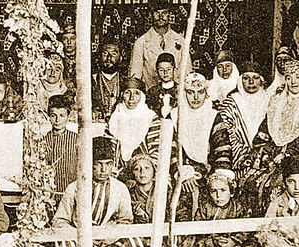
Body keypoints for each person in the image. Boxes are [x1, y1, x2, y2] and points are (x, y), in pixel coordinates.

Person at [48, 132, 145, 247]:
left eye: (108, 164)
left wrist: (107, 238)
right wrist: (83, 237)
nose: (104, 170)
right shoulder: (74, 187)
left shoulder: (120, 188)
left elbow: (126, 221)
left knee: (134, 241)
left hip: (109, 242)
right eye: (98, 164)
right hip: (80, 241)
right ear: (89, 163)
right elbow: (60, 221)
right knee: (64, 243)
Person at [243, 59, 299, 212]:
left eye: (298, 76)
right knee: (248, 181)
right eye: (289, 77)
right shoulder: (277, 100)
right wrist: (261, 154)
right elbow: (264, 131)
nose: (293, 82)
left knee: (278, 185)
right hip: (272, 155)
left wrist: (298, 160)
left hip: (298, 157)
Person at [209, 57, 271, 181]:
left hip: (263, 159)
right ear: (240, 80)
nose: (251, 82)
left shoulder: (271, 101)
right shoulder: (230, 103)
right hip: (235, 160)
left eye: (255, 78)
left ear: (261, 81)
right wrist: (243, 155)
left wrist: (258, 154)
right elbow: (225, 133)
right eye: (246, 78)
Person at [177, 169, 250, 247]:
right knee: (203, 245)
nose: (218, 195)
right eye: (213, 191)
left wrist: (233, 241)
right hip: (211, 242)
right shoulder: (205, 207)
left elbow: (244, 229)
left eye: (223, 190)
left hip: (230, 243)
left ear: (231, 191)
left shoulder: (238, 208)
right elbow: (198, 224)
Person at [171, 71, 215, 218]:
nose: (196, 97)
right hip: (183, 172)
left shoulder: (213, 115)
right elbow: (172, 151)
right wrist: (184, 174)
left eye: (200, 92)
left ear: (206, 94)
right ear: (184, 94)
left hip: (210, 170)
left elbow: (222, 149)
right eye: (190, 92)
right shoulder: (175, 115)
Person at [129, 0, 191, 90]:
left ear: (170, 14)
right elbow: (135, 75)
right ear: (151, 15)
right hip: (151, 94)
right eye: (156, 13)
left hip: (176, 94)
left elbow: (187, 72)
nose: (160, 16)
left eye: (164, 13)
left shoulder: (180, 41)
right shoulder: (141, 42)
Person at [108, 76, 161, 171]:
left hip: (145, 171)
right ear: (122, 95)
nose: (131, 98)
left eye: (136, 93)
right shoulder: (115, 117)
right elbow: (109, 148)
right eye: (127, 92)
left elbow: (156, 151)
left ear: (142, 97)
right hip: (118, 170)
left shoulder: (151, 118)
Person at [44, 93, 80, 196]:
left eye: (61, 115)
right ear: (48, 117)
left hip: (70, 192)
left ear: (68, 116)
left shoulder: (76, 139)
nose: (57, 120)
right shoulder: (43, 140)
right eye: (53, 115)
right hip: (50, 194)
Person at [92, 38, 124, 122]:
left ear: (120, 58)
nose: (109, 58)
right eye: (105, 53)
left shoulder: (125, 82)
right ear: (99, 57)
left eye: (113, 54)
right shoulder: (91, 80)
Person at [127, 152, 157, 224]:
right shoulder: (128, 194)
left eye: (146, 168)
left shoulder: (165, 191)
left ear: (154, 170)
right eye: (137, 169)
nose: (142, 172)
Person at [60, 21, 77, 86]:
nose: (69, 42)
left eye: (72, 38)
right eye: (65, 39)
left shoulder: (82, 59)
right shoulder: (58, 59)